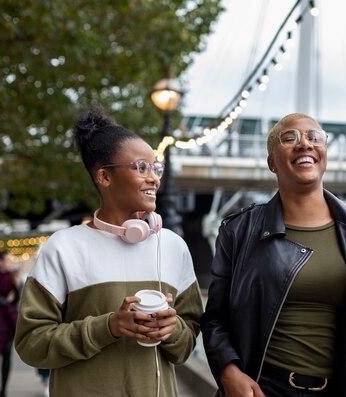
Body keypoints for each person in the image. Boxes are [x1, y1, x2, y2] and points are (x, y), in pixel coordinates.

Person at [200, 112, 346, 397]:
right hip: (263, 387)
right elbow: (215, 318)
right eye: (289, 137)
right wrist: (228, 372)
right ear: (272, 162)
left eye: (314, 137)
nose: (304, 144)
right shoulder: (239, 231)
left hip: (341, 390)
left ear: (324, 153)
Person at [14, 106, 204, 396]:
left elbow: (185, 345)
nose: (154, 178)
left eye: (156, 168)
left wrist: (171, 329)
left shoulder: (173, 247)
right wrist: (110, 326)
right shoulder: (63, 247)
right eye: (142, 167)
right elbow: (31, 344)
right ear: (104, 176)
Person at [0, 250, 22, 397]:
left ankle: (3, 390)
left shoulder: (13, 276)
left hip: (9, 322)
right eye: (8, 260)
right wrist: (5, 301)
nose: (10, 263)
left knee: (6, 356)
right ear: (0, 262)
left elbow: (16, 299)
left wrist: (17, 285)